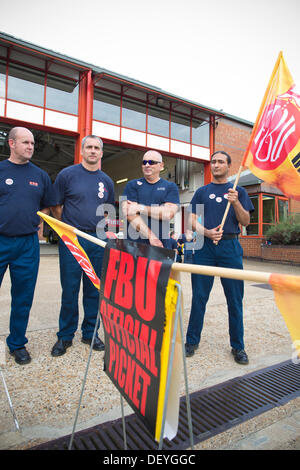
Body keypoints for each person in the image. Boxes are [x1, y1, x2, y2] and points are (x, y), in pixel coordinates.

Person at [185, 151, 254, 365]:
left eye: (220, 162)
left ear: (229, 166)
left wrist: (235, 203)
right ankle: (191, 341)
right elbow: (191, 220)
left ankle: (238, 346)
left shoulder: (238, 191)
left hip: (230, 247)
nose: (216, 165)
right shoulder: (202, 192)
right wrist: (206, 232)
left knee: (234, 299)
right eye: (213, 162)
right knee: (199, 297)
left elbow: (246, 221)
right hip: (205, 247)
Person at [51, 135, 115, 357]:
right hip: (71, 240)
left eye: (97, 148)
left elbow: (108, 211)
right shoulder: (67, 175)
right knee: (70, 288)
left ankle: (90, 332)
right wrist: (68, 229)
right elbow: (56, 206)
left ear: (101, 152)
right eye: (89, 147)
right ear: (82, 151)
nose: (93, 151)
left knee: (93, 288)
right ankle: (65, 336)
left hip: (97, 241)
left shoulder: (106, 180)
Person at [0, 127, 55, 365]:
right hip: (0, 240)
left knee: (23, 296)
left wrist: (39, 222)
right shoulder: (0, 170)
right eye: (25, 142)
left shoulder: (40, 176)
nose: (31, 147)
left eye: (32, 143)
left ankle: (17, 343)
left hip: (27, 245)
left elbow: (48, 205)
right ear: (11, 143)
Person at [121, 150, 179, 247]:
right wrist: (151, 237)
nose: (147, 165)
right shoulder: (132, 185)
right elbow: (129, 213)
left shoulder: (170, 187)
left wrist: (140, 208)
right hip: (134, 247)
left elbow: (168, 213)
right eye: (144, 162)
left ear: (161, 165)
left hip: (161, 246)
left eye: (151, 162)